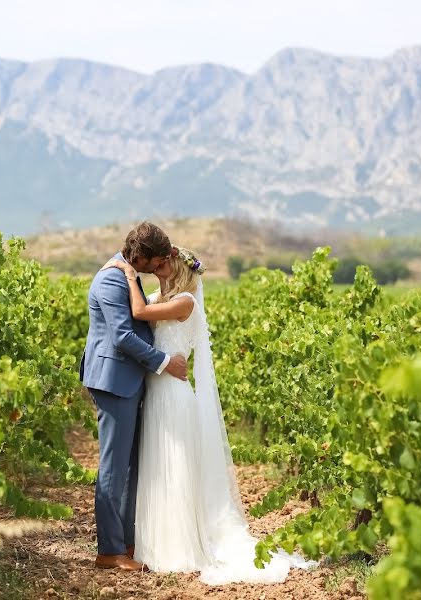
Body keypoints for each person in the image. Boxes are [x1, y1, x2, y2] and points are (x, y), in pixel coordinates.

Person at [100, 246, 314, 584]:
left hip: (173, 393)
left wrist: (128, 273)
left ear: (179, 268)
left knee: (175, 466)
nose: (158, 264)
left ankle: (178, 545)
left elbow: (138, 312)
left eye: (165, 261)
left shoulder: (186, 301)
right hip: (154, 392)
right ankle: (151, 541)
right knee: (156, 467)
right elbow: (131, 312)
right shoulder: (162, 294)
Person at [79, 222, 188, 571]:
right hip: (113, 381)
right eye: (154, 263)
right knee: (114, 468)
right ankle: (108, 551)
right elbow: (123, 336)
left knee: (129, 465)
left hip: (127, 380)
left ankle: (126, 543)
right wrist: (164, 362)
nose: (156, 269)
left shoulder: (129, 273)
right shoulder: (112, 278)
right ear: (139, 256)